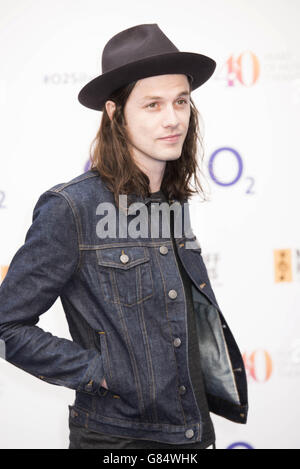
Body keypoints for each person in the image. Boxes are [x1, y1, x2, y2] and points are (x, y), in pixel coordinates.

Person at [0, 24, 248, 450]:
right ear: (116, 114)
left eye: (181, 101)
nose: (173, 118)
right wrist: (101, 373)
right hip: (119, 441)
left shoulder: (171, 202)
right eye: (152, 104)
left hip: (190, 434)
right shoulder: (71, 208)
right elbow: (7, 324)